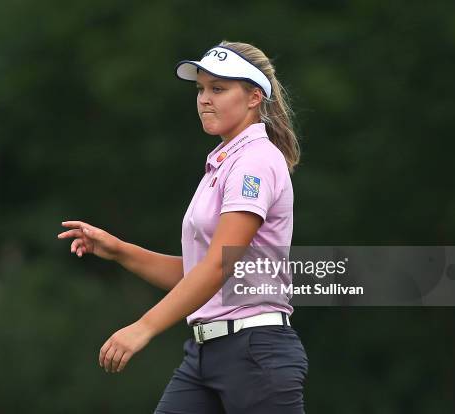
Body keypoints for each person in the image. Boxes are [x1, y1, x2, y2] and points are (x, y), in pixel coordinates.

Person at [57, 40, 308, 413]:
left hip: (255, 353)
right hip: (205, 355)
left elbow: (217, 267)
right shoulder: (224, 162)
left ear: (255, 98)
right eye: (201, 89)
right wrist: (120, 251)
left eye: (218, 89)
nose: (205, 99)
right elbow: (197, 274)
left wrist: (144, 326)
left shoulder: (254, 162)